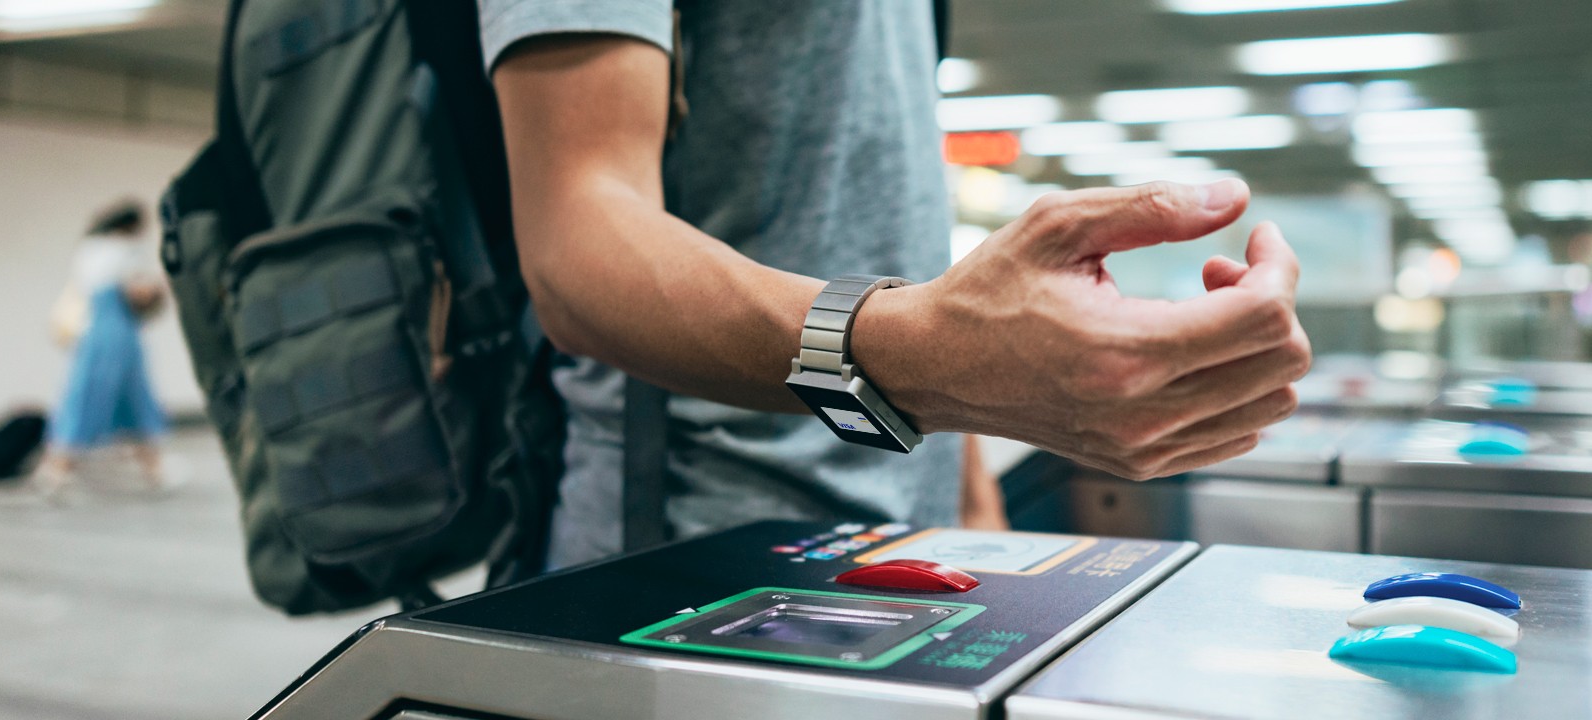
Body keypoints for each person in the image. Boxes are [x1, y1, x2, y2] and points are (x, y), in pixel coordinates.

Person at [483, 1, 1309, 567]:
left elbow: (880, 204)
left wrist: (970, 492)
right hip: (702, 553)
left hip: (912, 532)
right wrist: (927, 363)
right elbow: (575, 241)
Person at [36, 199, 171, 497]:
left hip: (95, 329)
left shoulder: (89, 248)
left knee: (95, 394)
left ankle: (58, 470)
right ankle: (60, 469)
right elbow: (138, 292)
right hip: (116, 330)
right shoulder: (123, 251)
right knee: (127, 396)